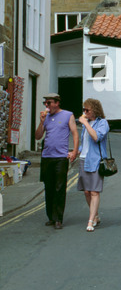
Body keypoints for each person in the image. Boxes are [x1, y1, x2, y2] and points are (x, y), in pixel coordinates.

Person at [35, 93, 79, 229]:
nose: (46, 106)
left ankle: (58, 218)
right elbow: (37, 136)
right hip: (47, 157)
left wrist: (75, 151)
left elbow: (75, 133)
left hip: (61, 157)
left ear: (57, 103)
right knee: (48, 188)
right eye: (45, 103)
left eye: (49, 103)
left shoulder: (68, 115)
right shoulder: (45, 117)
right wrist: (41, 122)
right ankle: (51, 217)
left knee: (59, 188)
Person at [77, 98, 110, 232]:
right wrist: (75, 153)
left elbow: (97, 137)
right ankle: (95, 215)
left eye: (87, 110)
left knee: (94, 191)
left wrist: (85, 123)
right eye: (83, 110)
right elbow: (83, 142)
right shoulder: (86, 124)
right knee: (86, 192)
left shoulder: (102, 123)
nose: (84, 112)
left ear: (95, 110)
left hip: (96, 160)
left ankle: (90, 220)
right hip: (84, 159)